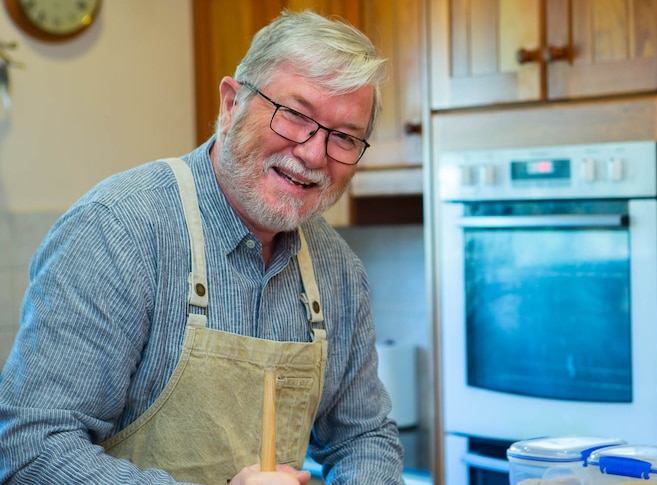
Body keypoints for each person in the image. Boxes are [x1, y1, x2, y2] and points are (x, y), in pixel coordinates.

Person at [0, 9, 404, 485]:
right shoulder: (119, 230)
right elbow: (31, 449)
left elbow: (364, 438)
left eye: (344, 137)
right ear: (231, 104)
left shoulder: (338, 271)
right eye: (295, 116)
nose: (314, 154)